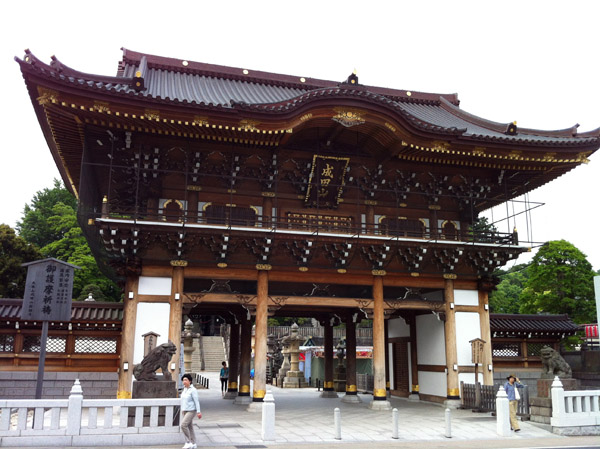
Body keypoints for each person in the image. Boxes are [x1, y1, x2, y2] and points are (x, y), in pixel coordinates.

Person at [180, 373, 201, 449]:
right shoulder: (184, 389)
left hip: (191, 410)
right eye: (183, 380)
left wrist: (198, 412)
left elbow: (196, 401)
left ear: (190, 381)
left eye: (186, 380)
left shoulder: (193, 390)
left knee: (183, 425)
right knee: (190, 427)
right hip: (184, 410)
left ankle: (188, 442)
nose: (184, 381)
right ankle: (194, 443)